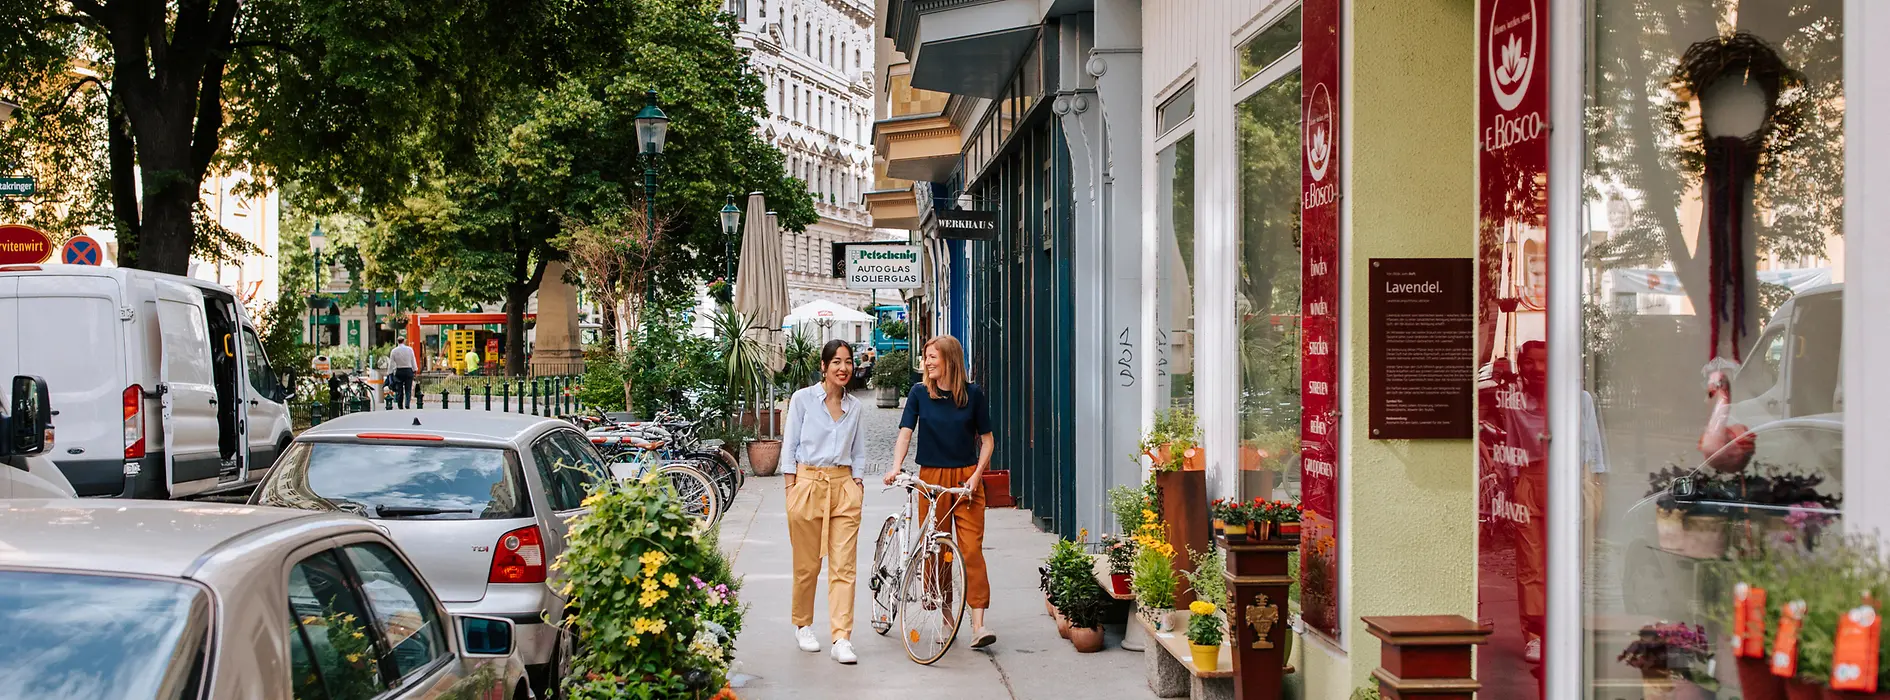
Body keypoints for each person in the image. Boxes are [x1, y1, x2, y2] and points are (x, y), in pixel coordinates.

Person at [885, 334, 997, 649]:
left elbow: (988, 441)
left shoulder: (973, 395)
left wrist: (977, 476)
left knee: (971, 550)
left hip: (965, 480)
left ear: (950, 359)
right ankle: (947, 618)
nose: (927, 363)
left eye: (933, 357)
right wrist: (896, 467)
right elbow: (905, 434)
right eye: (926, 357)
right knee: (937, 552)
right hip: (930, 479)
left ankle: (978, 625)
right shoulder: (919, 394)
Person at [781, 340, 868, 665]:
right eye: (836, 362)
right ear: (824, 366)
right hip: (807, 484)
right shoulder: (803, 400)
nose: (843, 368)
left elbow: (858, 451)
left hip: (843, 487)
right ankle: (803, 625)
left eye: (847, 362)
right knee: (807, 566)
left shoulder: (855, 407)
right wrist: (791, 490)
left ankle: (841, 637)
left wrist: (857, 483)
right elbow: (790, 446)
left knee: (844, 566)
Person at [389, 337, 417, 408]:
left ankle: (400, 405)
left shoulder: (394, 351)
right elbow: (413, 360)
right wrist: (415, 369)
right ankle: (407, 404)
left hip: (399, 371)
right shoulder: (409, 349)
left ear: (397, 342)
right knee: (408, 389)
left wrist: (390, 372)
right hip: (408, 370)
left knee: (399, 389)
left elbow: (391, 363)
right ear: (404, 341)